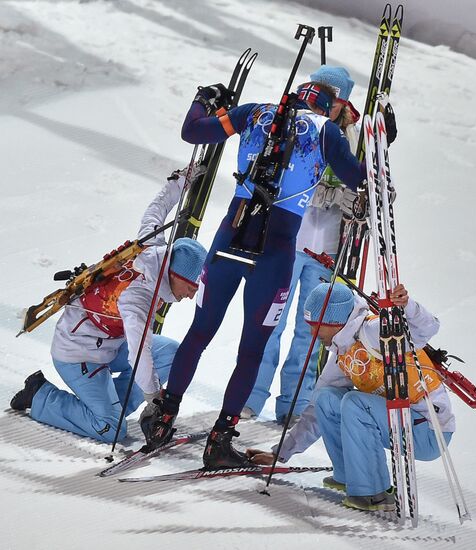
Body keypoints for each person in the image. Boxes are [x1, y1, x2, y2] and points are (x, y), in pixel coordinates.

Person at [144, 77, 367, 469]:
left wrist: (204, 100)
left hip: (228, 238)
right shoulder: (326, 131)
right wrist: (379, 151)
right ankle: (219, 441)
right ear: (327, 106)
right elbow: (360, 179)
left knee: (200, 331)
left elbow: (193, 131)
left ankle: (164, 417)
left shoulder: (255, 113)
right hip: (276, 252)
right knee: (252, 348)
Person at [10, 169, 207, 444]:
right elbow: (140, 353)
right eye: (191, 287)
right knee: (111, 429)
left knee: (171, 352)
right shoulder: (138, 298)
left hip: (110, 342)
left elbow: (155, 212)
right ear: (175, 275)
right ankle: (40, 395)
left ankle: (110, 405)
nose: (190, 295)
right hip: (78, 352)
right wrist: (154, 398)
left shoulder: (155, 248)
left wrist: (180, 183)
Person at [247, 282, 455, 512]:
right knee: (326, 399)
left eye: (317, 326)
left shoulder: (375, 331)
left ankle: (373, 491)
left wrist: (408, 306)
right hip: (396, 422)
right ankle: (351, 475)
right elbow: (315, 412)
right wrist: (280, 454)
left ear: (336, 323)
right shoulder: (342, 352)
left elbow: (427, 329)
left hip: (427, 430)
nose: (312, 334)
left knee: (355, 403)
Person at [243, 65, 364, 424]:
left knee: (310, 331)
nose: (325, 104)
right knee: (269, 322)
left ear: (343, 102)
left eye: (335, 99)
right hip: (286, 241)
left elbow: (367, 184)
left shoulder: (356, 137)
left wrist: (354, 199)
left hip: (327, 249)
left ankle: (293, 405)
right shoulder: (296, 125)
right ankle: (250, 397)